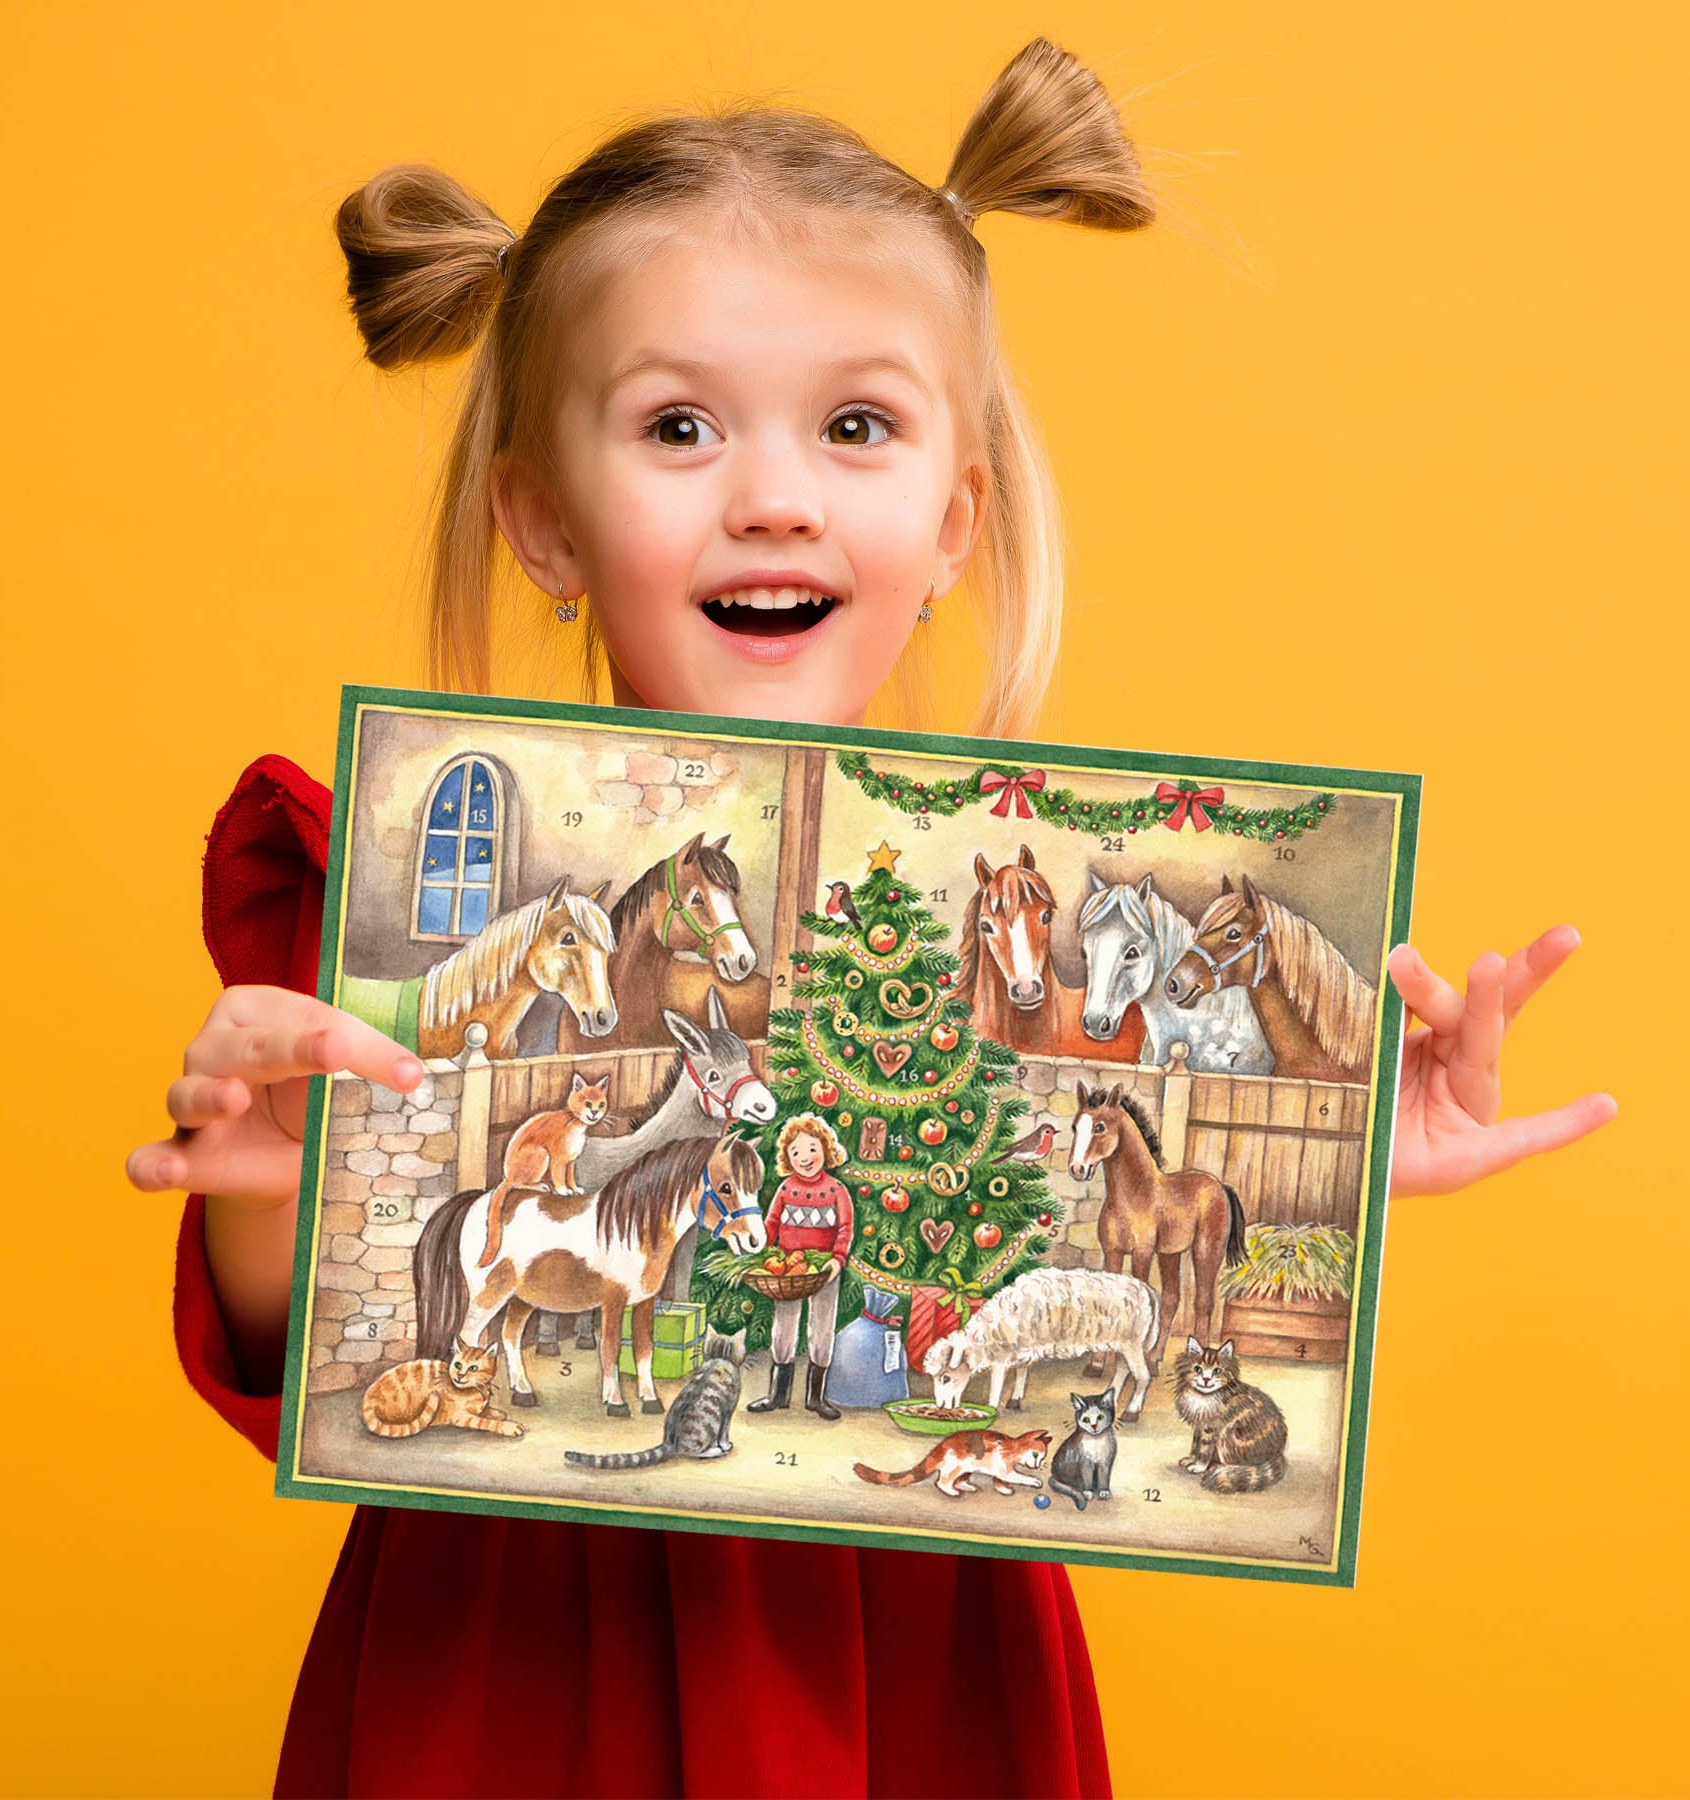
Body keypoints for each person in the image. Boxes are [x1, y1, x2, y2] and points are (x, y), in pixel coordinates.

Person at [125, 37, 1616, 1798]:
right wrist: (277, 1184)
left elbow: (1090, 1239)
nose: (774, 492)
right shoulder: (389, 907)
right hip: (517, 1665)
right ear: (540, 519)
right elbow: (314, 1343)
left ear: (954, 516)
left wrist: (1359, 1153)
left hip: (920, 1670)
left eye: (858, 425)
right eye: (678, 426)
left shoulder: (1023, 918)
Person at [748, 1115, 854, 1419]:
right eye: (796, 1152)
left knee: (822, 1329)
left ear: (826, 1149)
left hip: (824, 1270)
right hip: (787, 1271)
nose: (804, 1158)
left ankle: (815, 1397)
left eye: (811, 1148)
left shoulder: (836, 1191)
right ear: (787, 1158)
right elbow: (770, 1225)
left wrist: (837, 1261)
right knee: (783, 1328)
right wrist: (760, 1252)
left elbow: (845, 1230)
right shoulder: (785, 1189)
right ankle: (777, 1394)